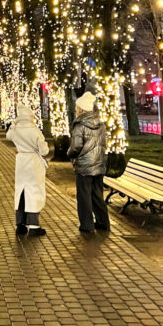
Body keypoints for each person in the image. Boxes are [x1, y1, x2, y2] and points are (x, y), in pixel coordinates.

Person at [68, 90, 109, 233]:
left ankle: (87, 224)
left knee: (84, 196)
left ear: (81, 109)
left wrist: (69, 154)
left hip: (84, 166)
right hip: (99, 164)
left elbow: (76, 147)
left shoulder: (80, 126)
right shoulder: (101, 124)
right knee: (98, 194)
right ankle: (103, 222)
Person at [7, 105, 51, 237]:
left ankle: (20, 224)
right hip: (33, 162)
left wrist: (14, 124)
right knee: (34, 191)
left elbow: (8, 136)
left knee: (20, 191)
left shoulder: (15, 129)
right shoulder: (34, 130)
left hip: (21, 162)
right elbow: (44, 151)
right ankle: (33, 225)